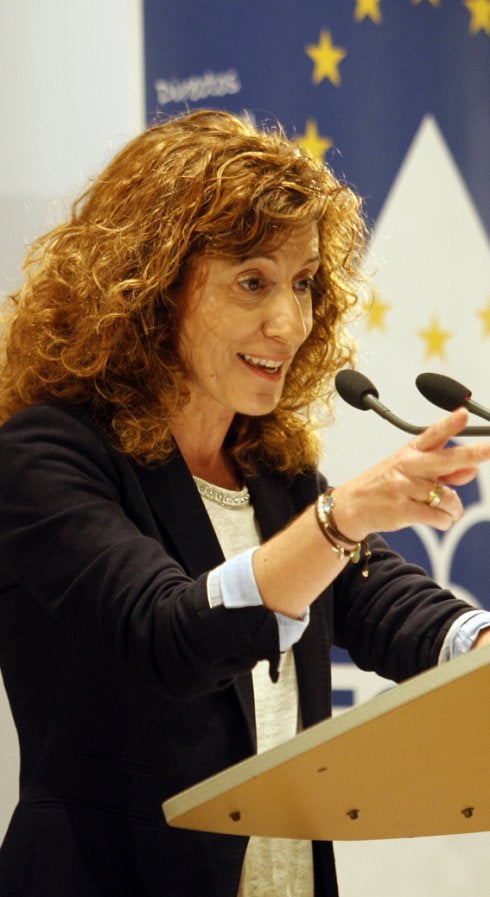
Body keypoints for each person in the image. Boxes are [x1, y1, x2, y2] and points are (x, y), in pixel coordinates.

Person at [0, 108, 489, 897]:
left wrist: (478, 641)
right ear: (151, 288)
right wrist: (338, 518)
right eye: (252, 281)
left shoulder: (273, 472)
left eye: (303, 283)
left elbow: (380, 600)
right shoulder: (44, 457)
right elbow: (169, 632)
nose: (289, 322)